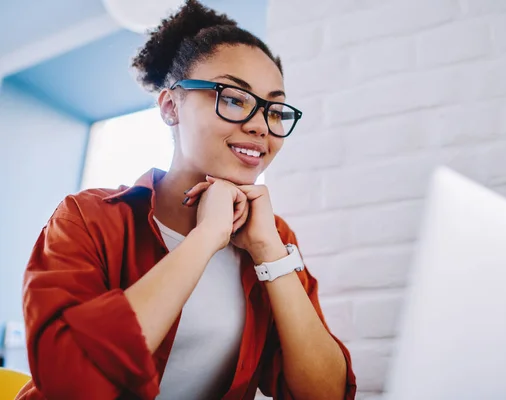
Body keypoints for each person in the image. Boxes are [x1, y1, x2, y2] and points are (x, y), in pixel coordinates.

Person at [16, 1, 356, 399]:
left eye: (275, 110)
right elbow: (71, 381)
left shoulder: (274, 238)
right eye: (233, 98)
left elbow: (327, 394)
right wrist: (205, 237)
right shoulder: (89, 218)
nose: (261, 125)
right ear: (171, 106)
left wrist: (268, 251)